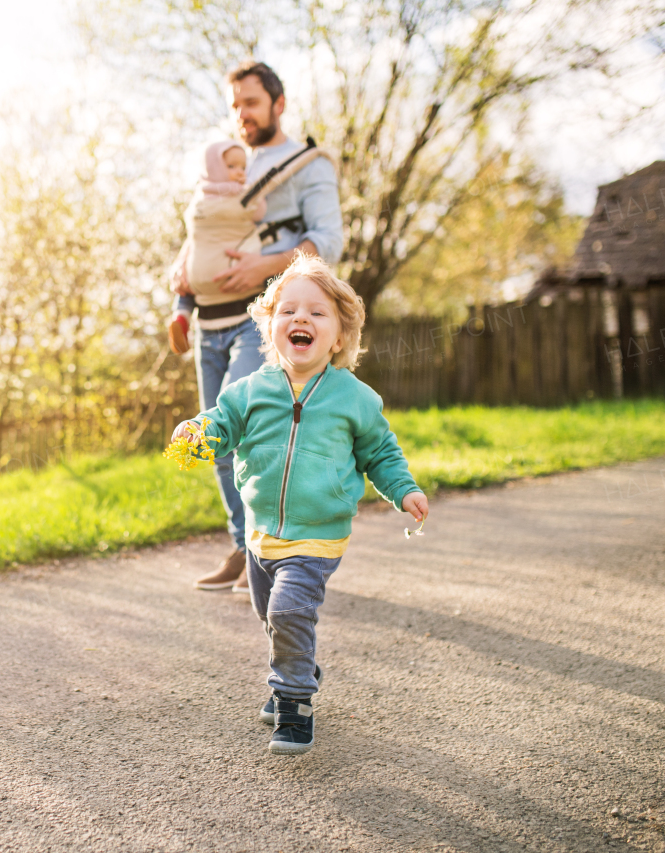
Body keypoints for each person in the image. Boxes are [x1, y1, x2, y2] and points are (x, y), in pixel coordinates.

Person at [170, 254, 429, 755]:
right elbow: (220, 426)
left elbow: (380, 452)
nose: (301, 319)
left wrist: (405, 490)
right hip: (261, 535)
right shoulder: (249, 391)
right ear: (271, 328)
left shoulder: (353, 398)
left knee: (290, 611)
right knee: (271, 614)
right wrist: (196, 436)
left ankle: (293, 702)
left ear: (339, 335)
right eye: (288, 311)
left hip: (318, 535)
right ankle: (300, 664)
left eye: (317, 312)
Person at [178, 61, 345, 595]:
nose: (241, 115)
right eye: (235, 105)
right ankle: (244, 542)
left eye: (250, 103)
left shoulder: (307, 166)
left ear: (278, 103)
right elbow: (200, 234)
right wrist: (180, 281)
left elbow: (328, 241)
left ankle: (273, 548)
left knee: (233, 414)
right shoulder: (227, 166)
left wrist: (262, 266)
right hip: (211, 319)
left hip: (265, 318)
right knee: (215, 434)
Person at [166, 141, 267, 355]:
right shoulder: (240, 193)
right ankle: (181, 318)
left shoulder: (199, 196)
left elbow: (194, 236)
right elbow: (259, 213)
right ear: (214, 167)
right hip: (225, 280)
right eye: (231, 167)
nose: (239, 172)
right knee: (188, 279)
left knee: (185, 284)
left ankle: (180, 316)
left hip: (198, 276)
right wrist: (253, 189)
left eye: (242, 167)